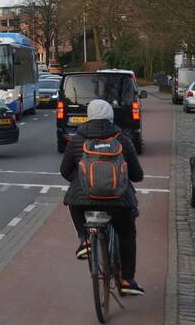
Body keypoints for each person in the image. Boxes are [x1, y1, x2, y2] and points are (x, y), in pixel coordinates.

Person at [60, 99, 145, 296]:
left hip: (83, 202)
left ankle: (85, 240)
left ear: (88, 116)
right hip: (119, 202)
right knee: (127, 234)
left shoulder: (77, 139)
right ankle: (127, 279)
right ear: (110, 116)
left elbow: (65, 171)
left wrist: (81, 181)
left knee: (72, 201)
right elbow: (137, 175)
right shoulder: (122, 138)